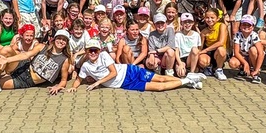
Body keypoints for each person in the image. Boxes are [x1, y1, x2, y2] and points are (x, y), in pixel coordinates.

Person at [67, 39, 203, 93]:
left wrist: (97, 83)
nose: (93, 53)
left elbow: (113, 72)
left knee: (161, 79)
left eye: (95, 50)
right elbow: (79, 79)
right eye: (90, 50)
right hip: (125, 84)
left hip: (129, 71)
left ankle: (188, 80)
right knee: (159, 88)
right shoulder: (85, 66)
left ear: (99, 51)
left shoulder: (103, 55)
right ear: (86, 51)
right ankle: (189, 81)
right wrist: (73, 87)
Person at [188, 7, 228, 81]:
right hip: (209, 52)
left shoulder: (222, 26)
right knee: (203, 61)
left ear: (217, 18)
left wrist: (205, 50)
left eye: (212, 18)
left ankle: (219, 69)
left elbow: (221, 42)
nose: (209, 20)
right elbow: (200, 47)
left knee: (221, 50)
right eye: (207, 18)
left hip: (218, 51)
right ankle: (209, 67)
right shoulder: (204, 32)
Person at [229, 14, 265, 84]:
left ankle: (256, 73)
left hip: (253, 57)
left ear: (253, 27)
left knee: (253, 50)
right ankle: (243, 69)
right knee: (232, 63)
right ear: (240, 26)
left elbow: (261, 53)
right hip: (243, 56)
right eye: (244, 24)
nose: (246, 27)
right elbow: (236, 52)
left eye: (249, 25)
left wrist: (257, 69)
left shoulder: (254, 35)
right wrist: (245, 63)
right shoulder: (237, 35)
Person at [174, 12, 201, 78]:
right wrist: (180, 63)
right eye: (185, 22)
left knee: (194, 49)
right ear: (181, 23)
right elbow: (176, 51)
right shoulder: (178, 35)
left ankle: (192, 72)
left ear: (193, 23)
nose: (187, 24)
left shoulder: (196, 35)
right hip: (182, 58)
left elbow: (198, 49)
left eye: (190, 22)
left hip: (192, 57)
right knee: (181, 73)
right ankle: (186, 70)